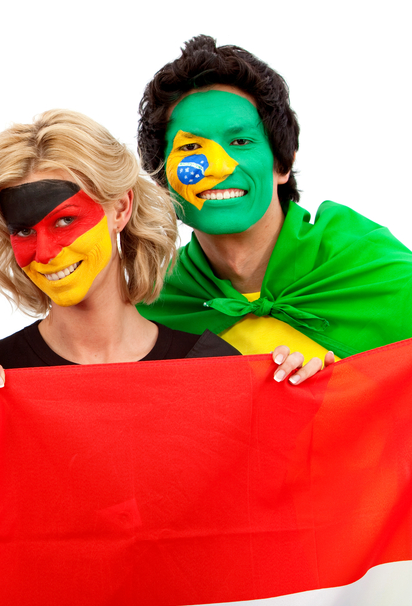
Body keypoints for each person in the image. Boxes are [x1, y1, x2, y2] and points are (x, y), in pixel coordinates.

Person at [136, 35, 412, 372]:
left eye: (240, 141)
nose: (220, 167)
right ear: (161, 178)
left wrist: (342, 393)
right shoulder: (151, 306)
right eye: (191, 148)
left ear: (282, 163)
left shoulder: (380, 276)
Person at [0, 109, 238, 397]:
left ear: (120, 209)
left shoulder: (212, 367)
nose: (44, 253)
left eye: (65, 220)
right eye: (24, 231)